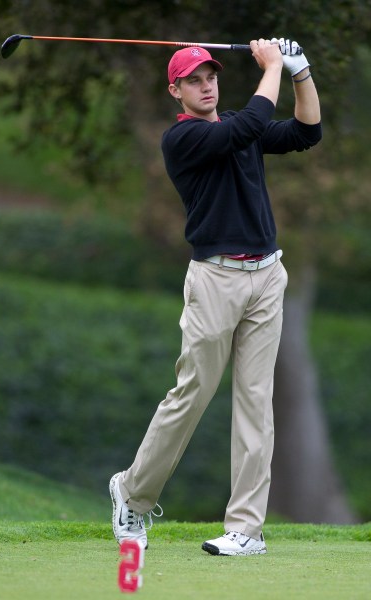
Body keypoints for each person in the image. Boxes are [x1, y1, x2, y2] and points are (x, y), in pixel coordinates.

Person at [109, 37, 322, 556]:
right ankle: (132, 494)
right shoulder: (182, 140)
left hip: (267, 276)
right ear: (175, 90)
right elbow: (249, 124)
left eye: (211, 78)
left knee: (256, 401)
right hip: (215, 280)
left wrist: (300, 71)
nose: (205, 87)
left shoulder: (237, 125)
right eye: (194, 81)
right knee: (193, 393)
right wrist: (271, 65)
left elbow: (306, 132)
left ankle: (245, 529)